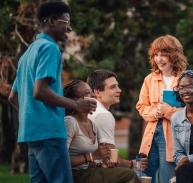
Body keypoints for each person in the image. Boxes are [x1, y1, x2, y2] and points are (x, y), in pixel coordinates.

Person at [7, 2, 97, 182]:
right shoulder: (50, 48)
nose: (69, 28)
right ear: (52, 21)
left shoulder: (27, 53)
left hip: (31, 134)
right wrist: (76, 105)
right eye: (66, 22)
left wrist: (32, 116)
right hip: (50, 133)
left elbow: (13, 96)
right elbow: (40, 91)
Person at [63, 80, 139, 183]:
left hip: (89, 171)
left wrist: (98, 161)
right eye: (86, 94)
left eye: (91, 92)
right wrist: (91, 156)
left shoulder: (92, 123)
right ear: (76, 100)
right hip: (74, 175)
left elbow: (94, 157)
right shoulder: (70, 122)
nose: (92, 96)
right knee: (129, 175)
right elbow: (61, 159)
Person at [136, 35, 187, 183]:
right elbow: (141, 106)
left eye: (164, 54)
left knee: (167, 178)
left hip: (172, 137)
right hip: (150, 136)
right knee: (143, 176)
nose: (159, 59)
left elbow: (191, 112)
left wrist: (169, 112)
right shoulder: (149, 79)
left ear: (174, 55)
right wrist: (155, 112)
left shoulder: (185, 78)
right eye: (156, 55)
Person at [87, 69, 148, 169]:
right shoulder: (103, 115)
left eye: (117, 86)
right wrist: (133, 164)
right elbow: (111, 158)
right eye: (112, 87)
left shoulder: (91, 110)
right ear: (97, 92)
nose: (119, 90)